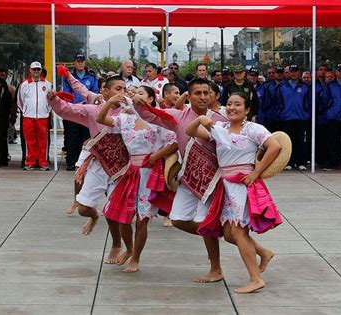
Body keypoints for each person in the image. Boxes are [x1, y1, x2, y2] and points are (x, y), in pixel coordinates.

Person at [133, 78, 226, 283]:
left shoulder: (220, 119)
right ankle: (219, 234)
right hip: (189, 179)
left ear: (212, 95)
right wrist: (139, 101)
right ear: (189, 96)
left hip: (212, 181)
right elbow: (149, 114)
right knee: (178, 219)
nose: (202, 97)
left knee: (205, 223)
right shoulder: (178, 116)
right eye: (197, 93)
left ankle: (216, 268)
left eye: (206, 93)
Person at [186, 92, 280, 293]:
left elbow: (275, 146)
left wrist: (256, 171)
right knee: (229, 234)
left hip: (242, 185)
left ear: (247, 110)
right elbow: (189, 131)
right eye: (229, 104)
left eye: (237, 105)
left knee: (238, 232)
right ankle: (264, 252)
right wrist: (201, 120)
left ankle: (255, 279)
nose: (231, 108)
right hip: (225, 185)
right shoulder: (219, 128)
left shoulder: (253, 129)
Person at [96, 85, 178, 273]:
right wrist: (109, 101)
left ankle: (136, 258)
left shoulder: (158, 120)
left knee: (142, 219)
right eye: (134, 92)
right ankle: (129, 247)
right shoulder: (125, 119)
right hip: (132, 171)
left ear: (150, 99)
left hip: (150, 172)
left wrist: (156, 156)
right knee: (120, 216)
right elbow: (100, 119)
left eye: (141, 93)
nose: (135, 95)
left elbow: (174, 142)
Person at [48, 73, 126, 263]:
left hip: (122, 168)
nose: (122, 93)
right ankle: (93, 216)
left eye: (124, 89)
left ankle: (117, 244)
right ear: (104, 91)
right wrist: (53, 99)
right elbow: (67, 110)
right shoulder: (92, 110)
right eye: (118, 89)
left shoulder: (130, 112)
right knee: (83, 208)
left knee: (114, 212)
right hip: (98, 165)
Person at [62, 53, 99, 171]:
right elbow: (67, 93)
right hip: (74, 110)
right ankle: (71, 162)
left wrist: (88, 103)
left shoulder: (91, 77)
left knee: (86, 137)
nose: (80, 63)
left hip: (87, 111)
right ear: (74, 63)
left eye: (82, 61)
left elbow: (95, 92)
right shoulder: (68, 76)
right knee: (72, 137)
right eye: (78, 61)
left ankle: (84, 163)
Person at [17, 62, 52, 171]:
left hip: (43, 116)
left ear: (41, 71)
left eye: (38, 69)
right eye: (34, 69)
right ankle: (30, 162)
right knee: (30, 140)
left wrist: (46, 110)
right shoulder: (24, 85)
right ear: (30, 70)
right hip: (28, 116)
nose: (36, 72)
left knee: (43, 140)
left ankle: (43, 162)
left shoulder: (47, 84)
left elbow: (51, 100)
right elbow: (20, 101)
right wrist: (26, 110)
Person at [278, 64, 311, 171]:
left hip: (301, 118)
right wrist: (281, 112)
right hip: (286, 118)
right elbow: (278, 102)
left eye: (296, 71)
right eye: (291, 71)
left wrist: (307, 113)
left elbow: (309, 102)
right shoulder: (283, 86)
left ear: (299, 72)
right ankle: (289, 162)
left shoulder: (305, 87)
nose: (293, 73)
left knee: (301, 140)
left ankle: (301, 162)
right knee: (288, 142)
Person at [0, 68, 16, 165]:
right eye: (0, 75)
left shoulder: (10, 88)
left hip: (6, 116)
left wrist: (13, 116)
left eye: (4, 76)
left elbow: (14, 103)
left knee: (5, 137)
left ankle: (5, 154)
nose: (2, 77)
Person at [315, 64, 330, 168]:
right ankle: (317, 159)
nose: (323, 72)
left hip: (328, 116)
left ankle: (326, 160)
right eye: (321, 70)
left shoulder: (330, 85)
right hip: (316, 116)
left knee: (327, 140)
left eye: (325, 70)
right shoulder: (313, 85)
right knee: (317, 139)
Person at [262, 66, 284, 132]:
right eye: (277, 72)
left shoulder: (287, 85)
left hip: (283, 117)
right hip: (270, 117)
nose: (279, 74)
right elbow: (265, 102)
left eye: (281, 73)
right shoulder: (268, 86)